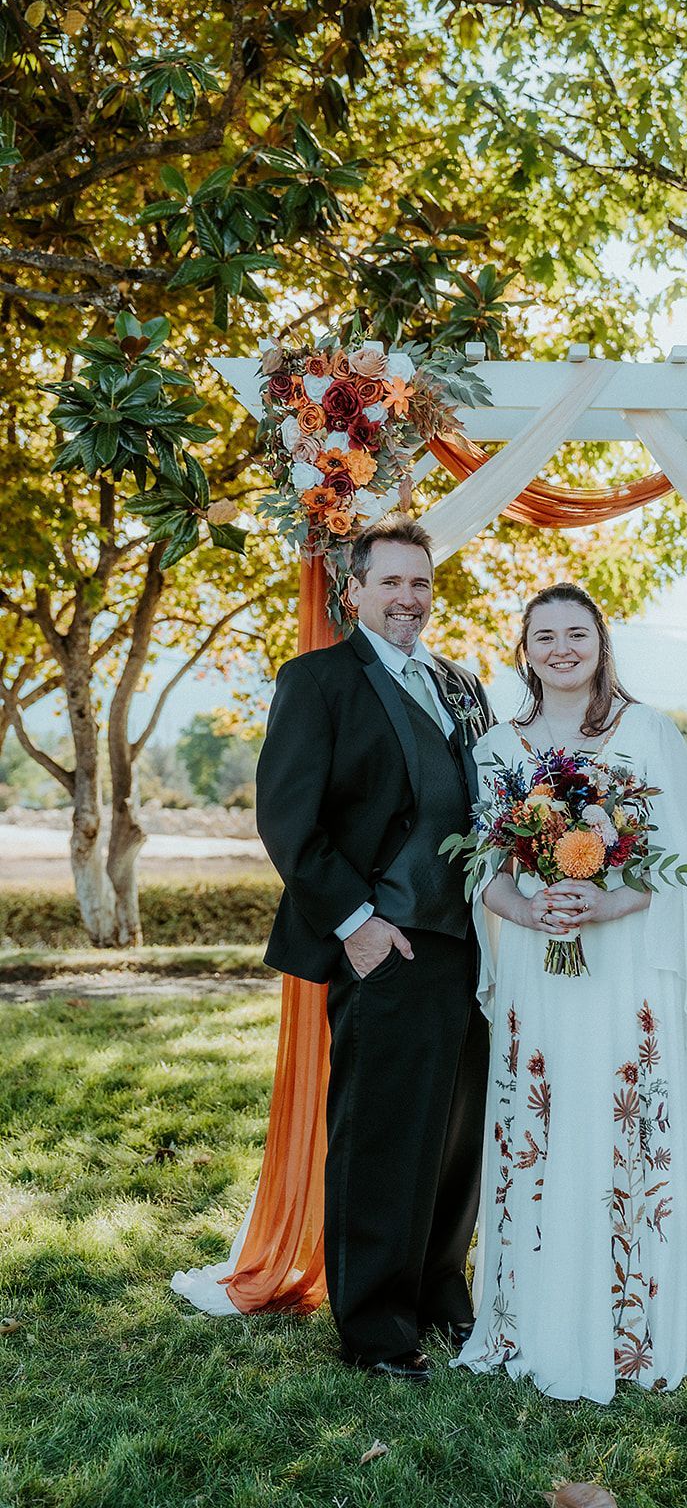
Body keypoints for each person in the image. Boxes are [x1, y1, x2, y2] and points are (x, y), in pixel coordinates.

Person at [453, 583, 687, 1403]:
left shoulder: (649, 733)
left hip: (622, 962)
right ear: (523, 650)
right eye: (543, 636)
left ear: (601, 642)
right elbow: (483, 870)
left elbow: (679, 863)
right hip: (539, 969)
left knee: (610, 1119)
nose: (561, 647)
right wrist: (529, 908)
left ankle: (625, 1329)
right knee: (545, 1120)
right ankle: (529, 1317)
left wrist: (604, 900)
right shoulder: (497, 746)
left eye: (576, 633)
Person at [255, 513, 492, 1383]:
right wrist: (356, 922)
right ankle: (375, 1328)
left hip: (469, 944)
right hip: (383, 942)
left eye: (421, 583)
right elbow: (287, 819)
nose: (408, 598)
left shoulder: (460, 683)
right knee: (381, 1138)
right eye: (390, 581)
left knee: (456, 1132)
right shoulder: (317, 680)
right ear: (352, 590)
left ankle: (440, 1293)